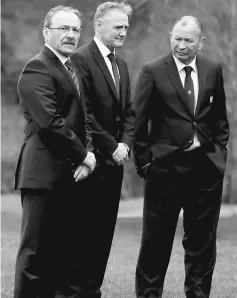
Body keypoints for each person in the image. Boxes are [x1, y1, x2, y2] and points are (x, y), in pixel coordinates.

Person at [133, 16, 229, 298]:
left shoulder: (212, 70)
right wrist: (145, 163)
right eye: (177, 38)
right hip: (164, 168)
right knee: (156, 241)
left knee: (202, 242)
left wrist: (219, 154)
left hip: (206, 168)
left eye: (188, 40)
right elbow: (137, 120)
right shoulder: (153, 71)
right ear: (170, 37)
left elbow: (220, 120)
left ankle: (198, 294)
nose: (182, 45)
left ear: (201, 42)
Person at [14, 5, 96, 298]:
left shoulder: (71, 68)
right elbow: (49, 122)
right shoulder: (37, 67)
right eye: (64, 29)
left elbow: (82, 119)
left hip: (68, 174)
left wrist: (86, 155)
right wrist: (83, 155)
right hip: (43, 175)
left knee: (62, 254)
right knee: (36, 254)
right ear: (46, 32)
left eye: (75, 29)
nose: (71, 35)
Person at [70, 2, 134, 297]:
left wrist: (125, 146)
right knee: (82, 233)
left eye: (126, 26)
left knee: (104, 234)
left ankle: (93, 290)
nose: (124, 31)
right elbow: (84, 112)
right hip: (91, 160)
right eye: (118, 26)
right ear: (98, 26)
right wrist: (110, 147)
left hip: (115, 164)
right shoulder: (80, 59)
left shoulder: (120, 64)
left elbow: (129, 113)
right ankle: (77, 290)